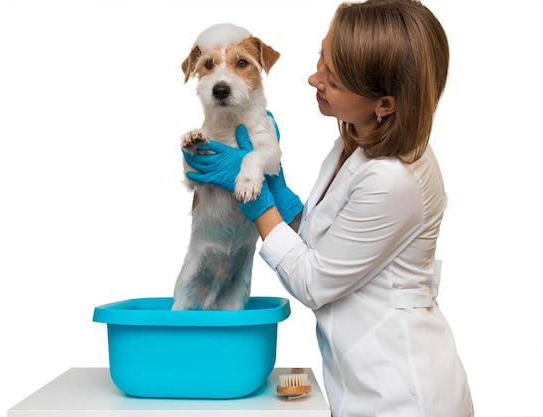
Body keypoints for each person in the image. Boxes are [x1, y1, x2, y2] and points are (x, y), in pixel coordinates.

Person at [182, 0, 474, 415]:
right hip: (358, 376)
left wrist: (259, 201)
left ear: (386, 104)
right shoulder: (354, 143)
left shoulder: (396, 178)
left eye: (332, 78)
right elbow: (330, 240)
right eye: (322, 54)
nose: (312, 77)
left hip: (400, 392)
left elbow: (314, 281)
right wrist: (285, 202)